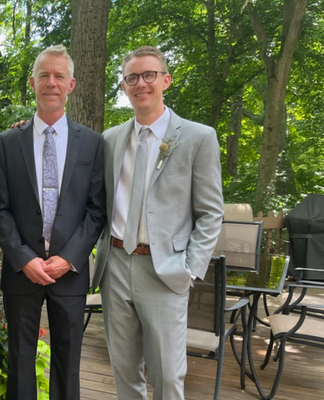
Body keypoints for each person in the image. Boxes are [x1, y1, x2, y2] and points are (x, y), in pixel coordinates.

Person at [92, 46, 224, 400]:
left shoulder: (199, 137)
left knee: (167, 376)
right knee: (124, 370)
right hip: (116, 265)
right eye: (132, 77)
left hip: (166, 270)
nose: (141, 83)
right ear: (124, 87)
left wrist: (191, 269)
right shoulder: (110, 139)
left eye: (149, 74)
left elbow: (211, 212)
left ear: (165, 79)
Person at [0, 45, 106, 400]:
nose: (51, 82)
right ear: (32, 83)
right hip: (21, 271)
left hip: (68, 272)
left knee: (68, 362)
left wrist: (69, 257)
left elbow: (96, 210)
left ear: (71, 85)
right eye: (44, 76)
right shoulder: (8, 143)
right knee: (20, 360)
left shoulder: (93, 144)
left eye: (59, 76)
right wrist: (23, 258)